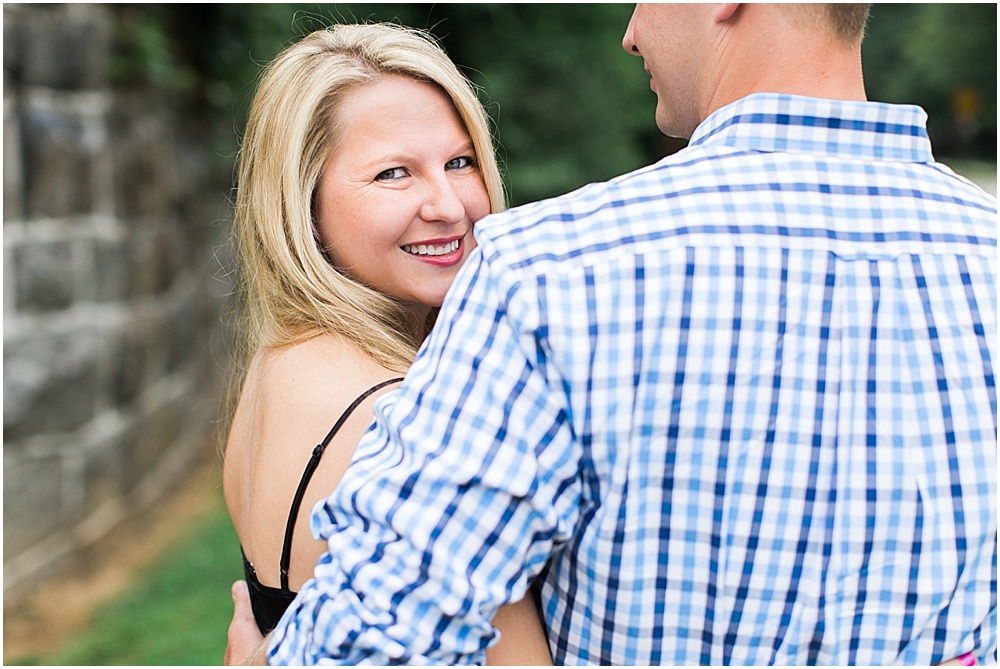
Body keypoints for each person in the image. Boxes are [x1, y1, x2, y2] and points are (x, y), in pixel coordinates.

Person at [231, 4, 997, 664]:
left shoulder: (547, 273)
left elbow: (369, 644)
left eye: (460, 162)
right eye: (394, 173)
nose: (631, 33)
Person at [221, 23, 553, 665]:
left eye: (460, 162)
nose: (449, 205)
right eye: (393, 174)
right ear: (303, 203)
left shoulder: (279, 362)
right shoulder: (406, 420)